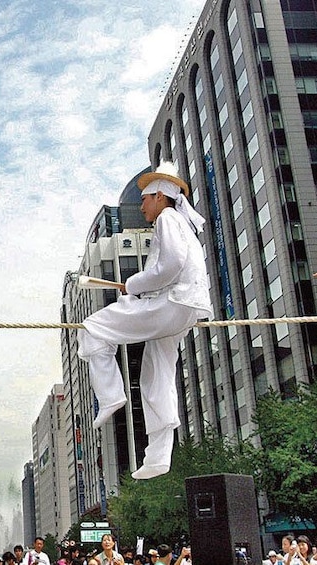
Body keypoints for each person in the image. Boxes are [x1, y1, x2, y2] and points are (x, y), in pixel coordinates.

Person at [77, 161, 211, 479]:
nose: (142, 205)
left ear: (160, 197)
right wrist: (135, 293)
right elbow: (169, 272)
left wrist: (134, 285)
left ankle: (110, 395)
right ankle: (158, 457)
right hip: (184, 308)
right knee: (157, 376)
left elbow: (170, 266)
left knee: (94, 327)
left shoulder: (167, 219)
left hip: (174, 305)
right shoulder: (180, 224)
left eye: (145, 198)